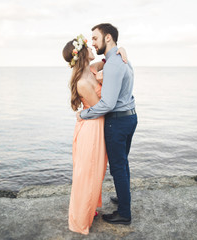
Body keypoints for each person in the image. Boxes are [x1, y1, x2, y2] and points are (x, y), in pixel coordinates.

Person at [62, 34, 127, 235]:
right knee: (87, 174)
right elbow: (101, 107)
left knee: (95, 173)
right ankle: (80, 219)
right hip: (92, 129)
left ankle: (89, 210)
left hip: (97, 126)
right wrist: (104, 83)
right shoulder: (82, 81)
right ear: (82, 54)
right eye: (87, 47)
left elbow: (107, 61)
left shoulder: (91, 69)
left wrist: (121, 51)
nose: (92, 47)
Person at [77, 23, 137, 225]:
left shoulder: (113, 64)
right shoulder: (121, 59)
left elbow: (108, 104)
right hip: (131, 117)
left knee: (118, 167)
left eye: (95, 38)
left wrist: (84, 114)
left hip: (118, 121)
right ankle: (123, 197)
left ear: (108, 38)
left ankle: (124, 213)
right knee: (124, 163)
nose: (92, 42)